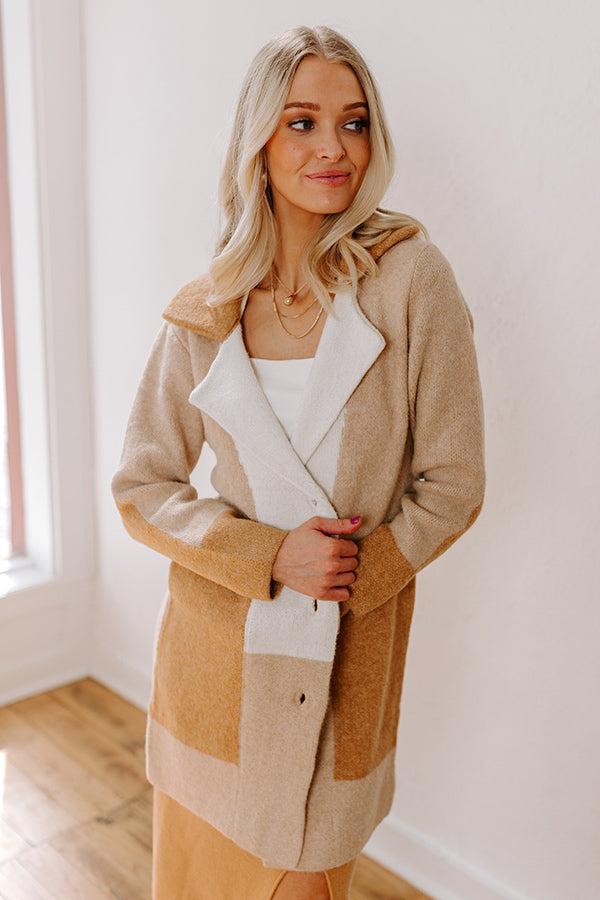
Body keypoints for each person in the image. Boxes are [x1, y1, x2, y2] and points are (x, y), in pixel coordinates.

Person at [111, 24, 486, 900]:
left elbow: (455, 483)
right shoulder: (209, 306)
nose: (333, 148)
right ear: (258, 140)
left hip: (337, 674)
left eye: (354, 123)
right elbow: (142, 484)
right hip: (211, 676)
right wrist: (270, 555)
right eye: (302, 122)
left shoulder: (411, 280)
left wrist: (356, 577)